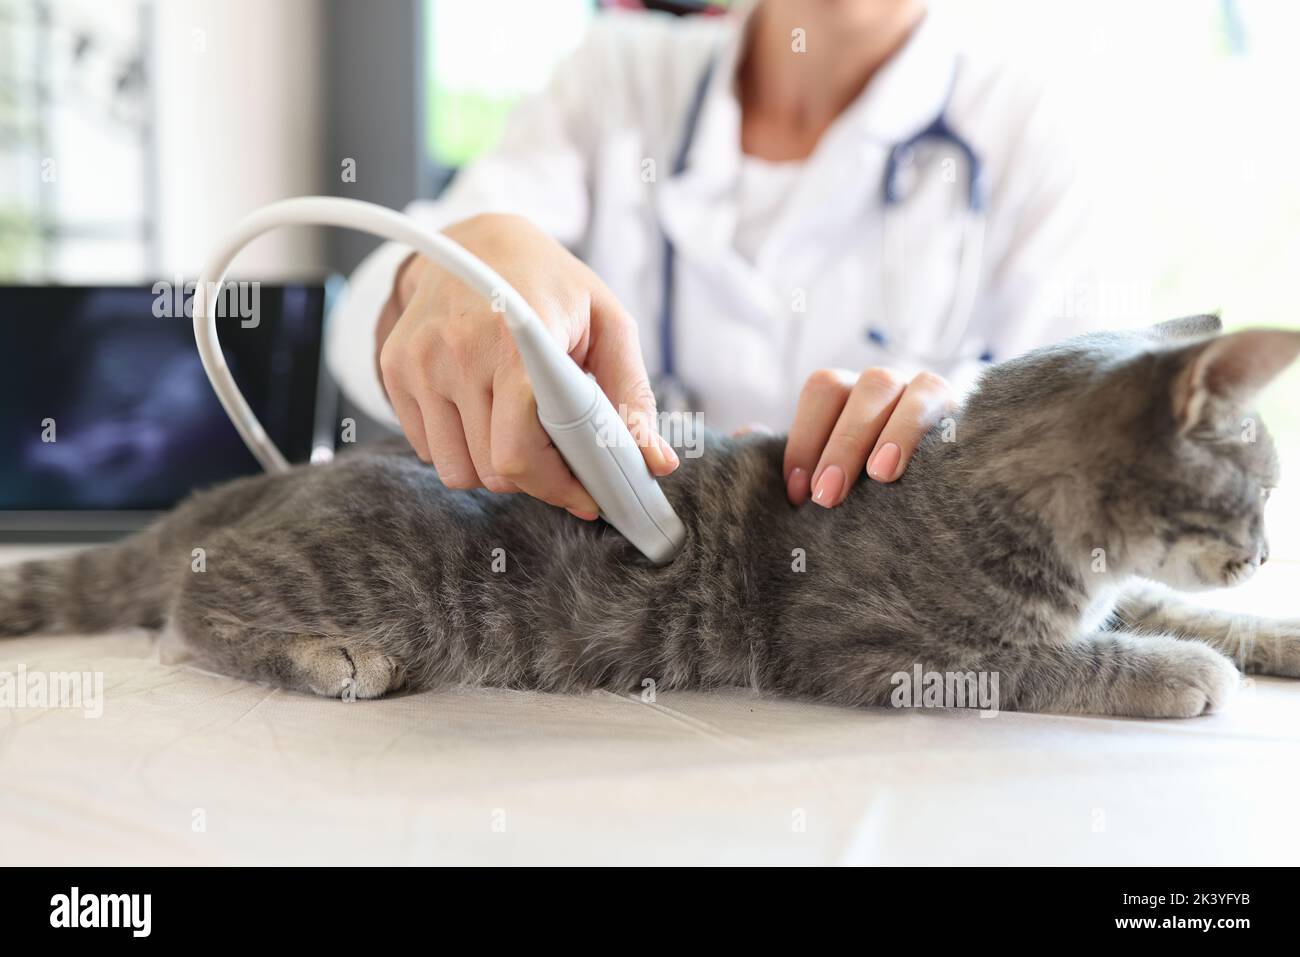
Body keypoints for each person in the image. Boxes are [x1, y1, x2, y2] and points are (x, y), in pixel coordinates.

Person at [327, 0, 1095, 521]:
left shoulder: (1035, 131)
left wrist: (962, 439)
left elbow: (1091, 448)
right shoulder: (616, 75)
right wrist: (457, 263)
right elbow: (364, 317)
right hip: (614, 653)